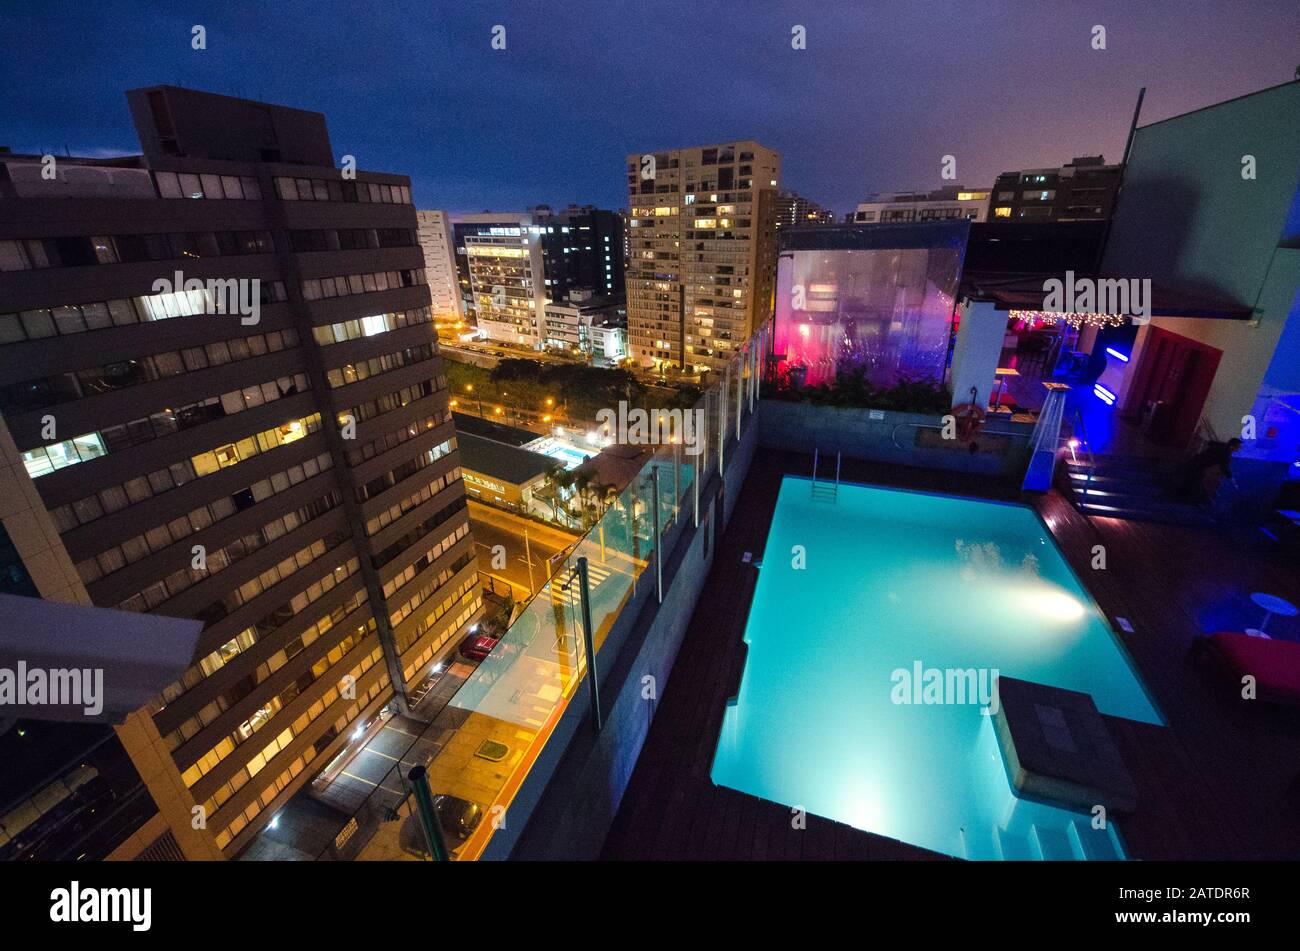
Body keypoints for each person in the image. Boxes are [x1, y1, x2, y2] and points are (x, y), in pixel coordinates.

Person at [1178, 437, 1241, 505]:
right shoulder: (1226, 453)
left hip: (1196, 462)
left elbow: (1210, 443)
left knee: (1191, 481)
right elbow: (1224, 467)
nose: (1239, 448)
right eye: (1238, 446)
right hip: (1198, 465)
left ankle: (1183, 498)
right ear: (1232, 446)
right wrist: (1231, 480)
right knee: (1196, 483)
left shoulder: (1222, 446)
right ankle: (1189, 500)